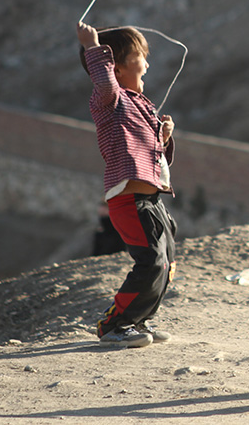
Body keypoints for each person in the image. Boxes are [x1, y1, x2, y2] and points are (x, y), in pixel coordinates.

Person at [77, 21, 178, 348]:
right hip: (129, 202)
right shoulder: (109, 100)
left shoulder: (140, 104)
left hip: (152, 201)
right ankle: (114, 325)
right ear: (116, 67)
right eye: (139, 56)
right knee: (150, 262)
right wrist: (93, 47)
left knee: (167, 265)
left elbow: (149, 156)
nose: (146, 63)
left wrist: (163, 136)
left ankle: (139, 320)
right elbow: (104, 84)